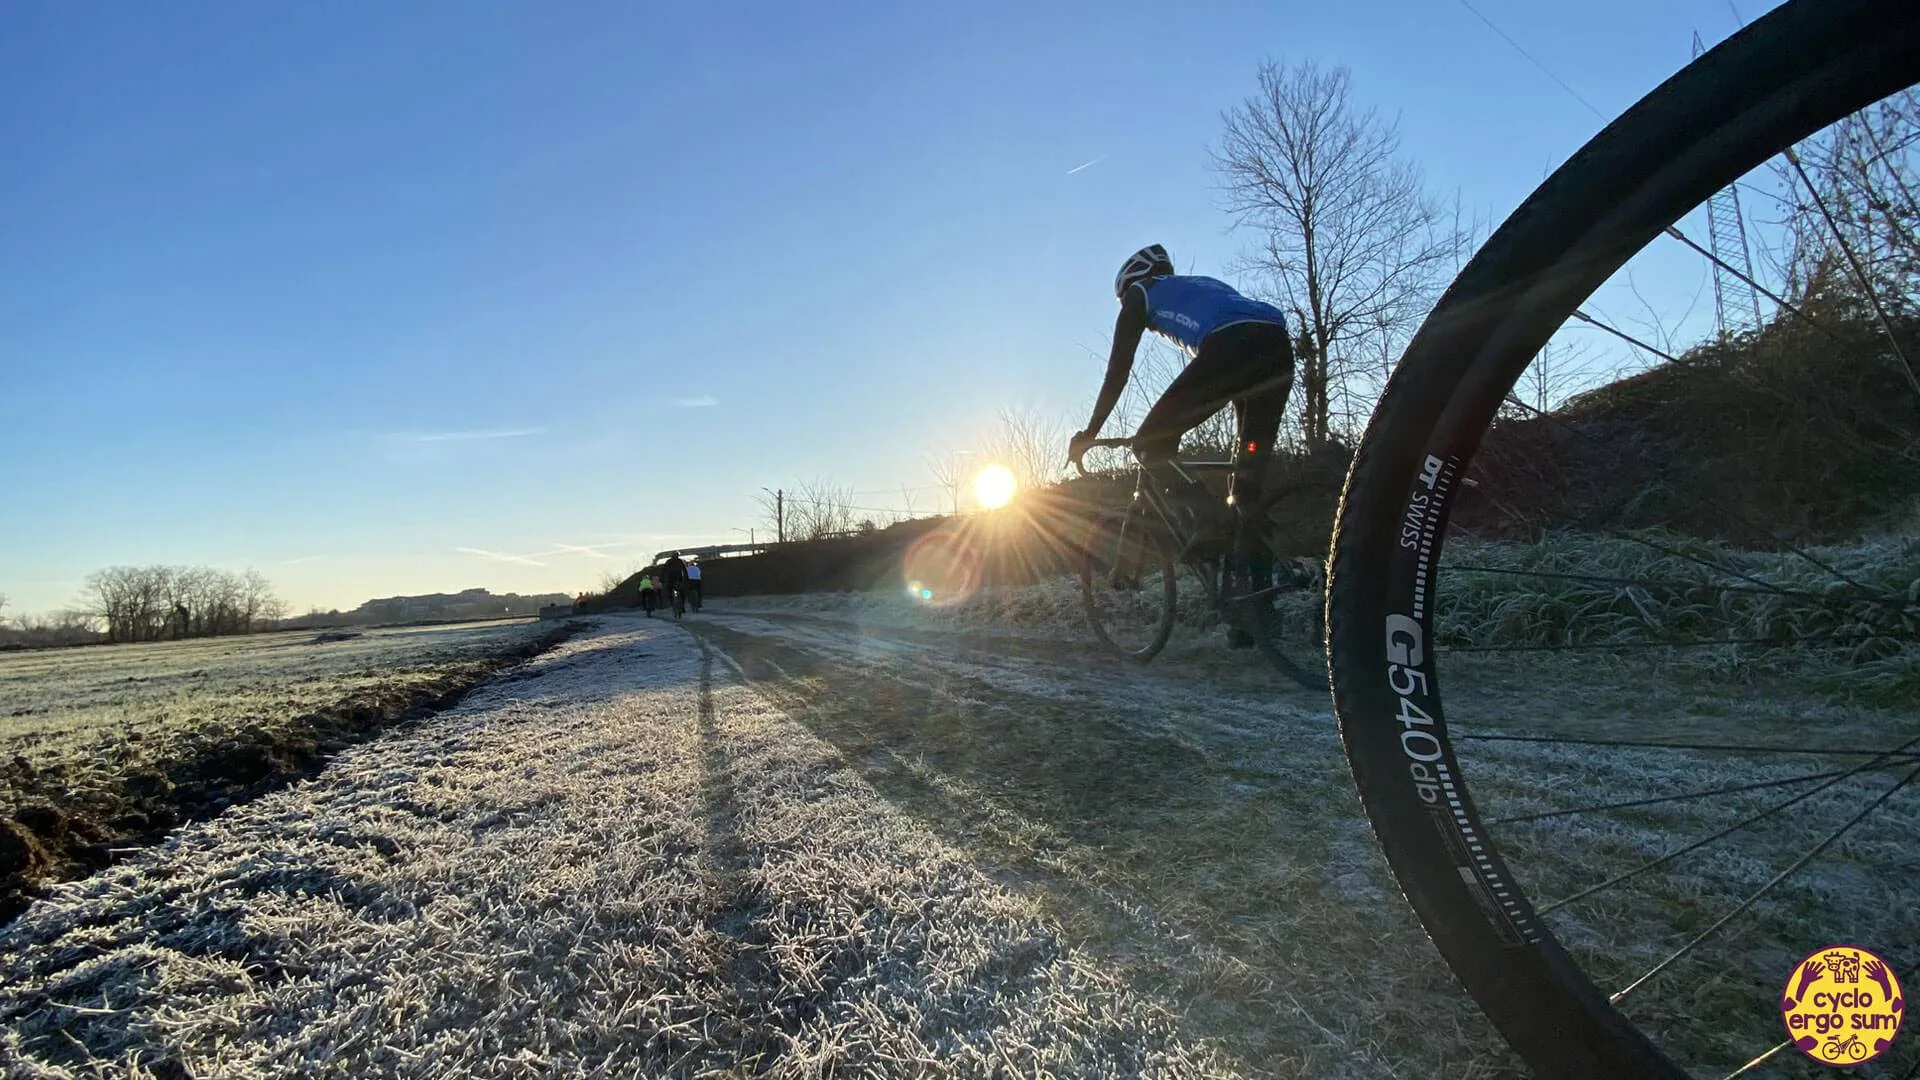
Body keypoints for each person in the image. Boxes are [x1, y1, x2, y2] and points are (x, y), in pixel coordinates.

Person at [1067, 243, 1296, 645]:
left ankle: (1208, 519)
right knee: (1245, 491)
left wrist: (1090, 431)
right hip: (1276, 347)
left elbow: (1118, 369)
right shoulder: (1203, 285)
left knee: (1149, 445)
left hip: (1232, 346)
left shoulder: (1140, 293)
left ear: (1131, 282)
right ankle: (1257, 617)